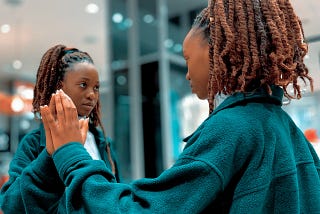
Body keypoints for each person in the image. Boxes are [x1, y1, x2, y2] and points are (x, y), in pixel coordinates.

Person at [24, 0, 320, 213]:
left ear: (220, 52)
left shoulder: (233, 127)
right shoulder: (284, 128)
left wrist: (69, 154)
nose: (188, 74)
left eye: (189, 59)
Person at [0, 45, 120, 213]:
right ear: (59, 87)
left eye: (96, 87)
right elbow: (11, 205)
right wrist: (48, 157)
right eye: (83, 84)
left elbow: (114, 196)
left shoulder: (104, 143)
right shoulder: (34, 143)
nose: (92, 94)